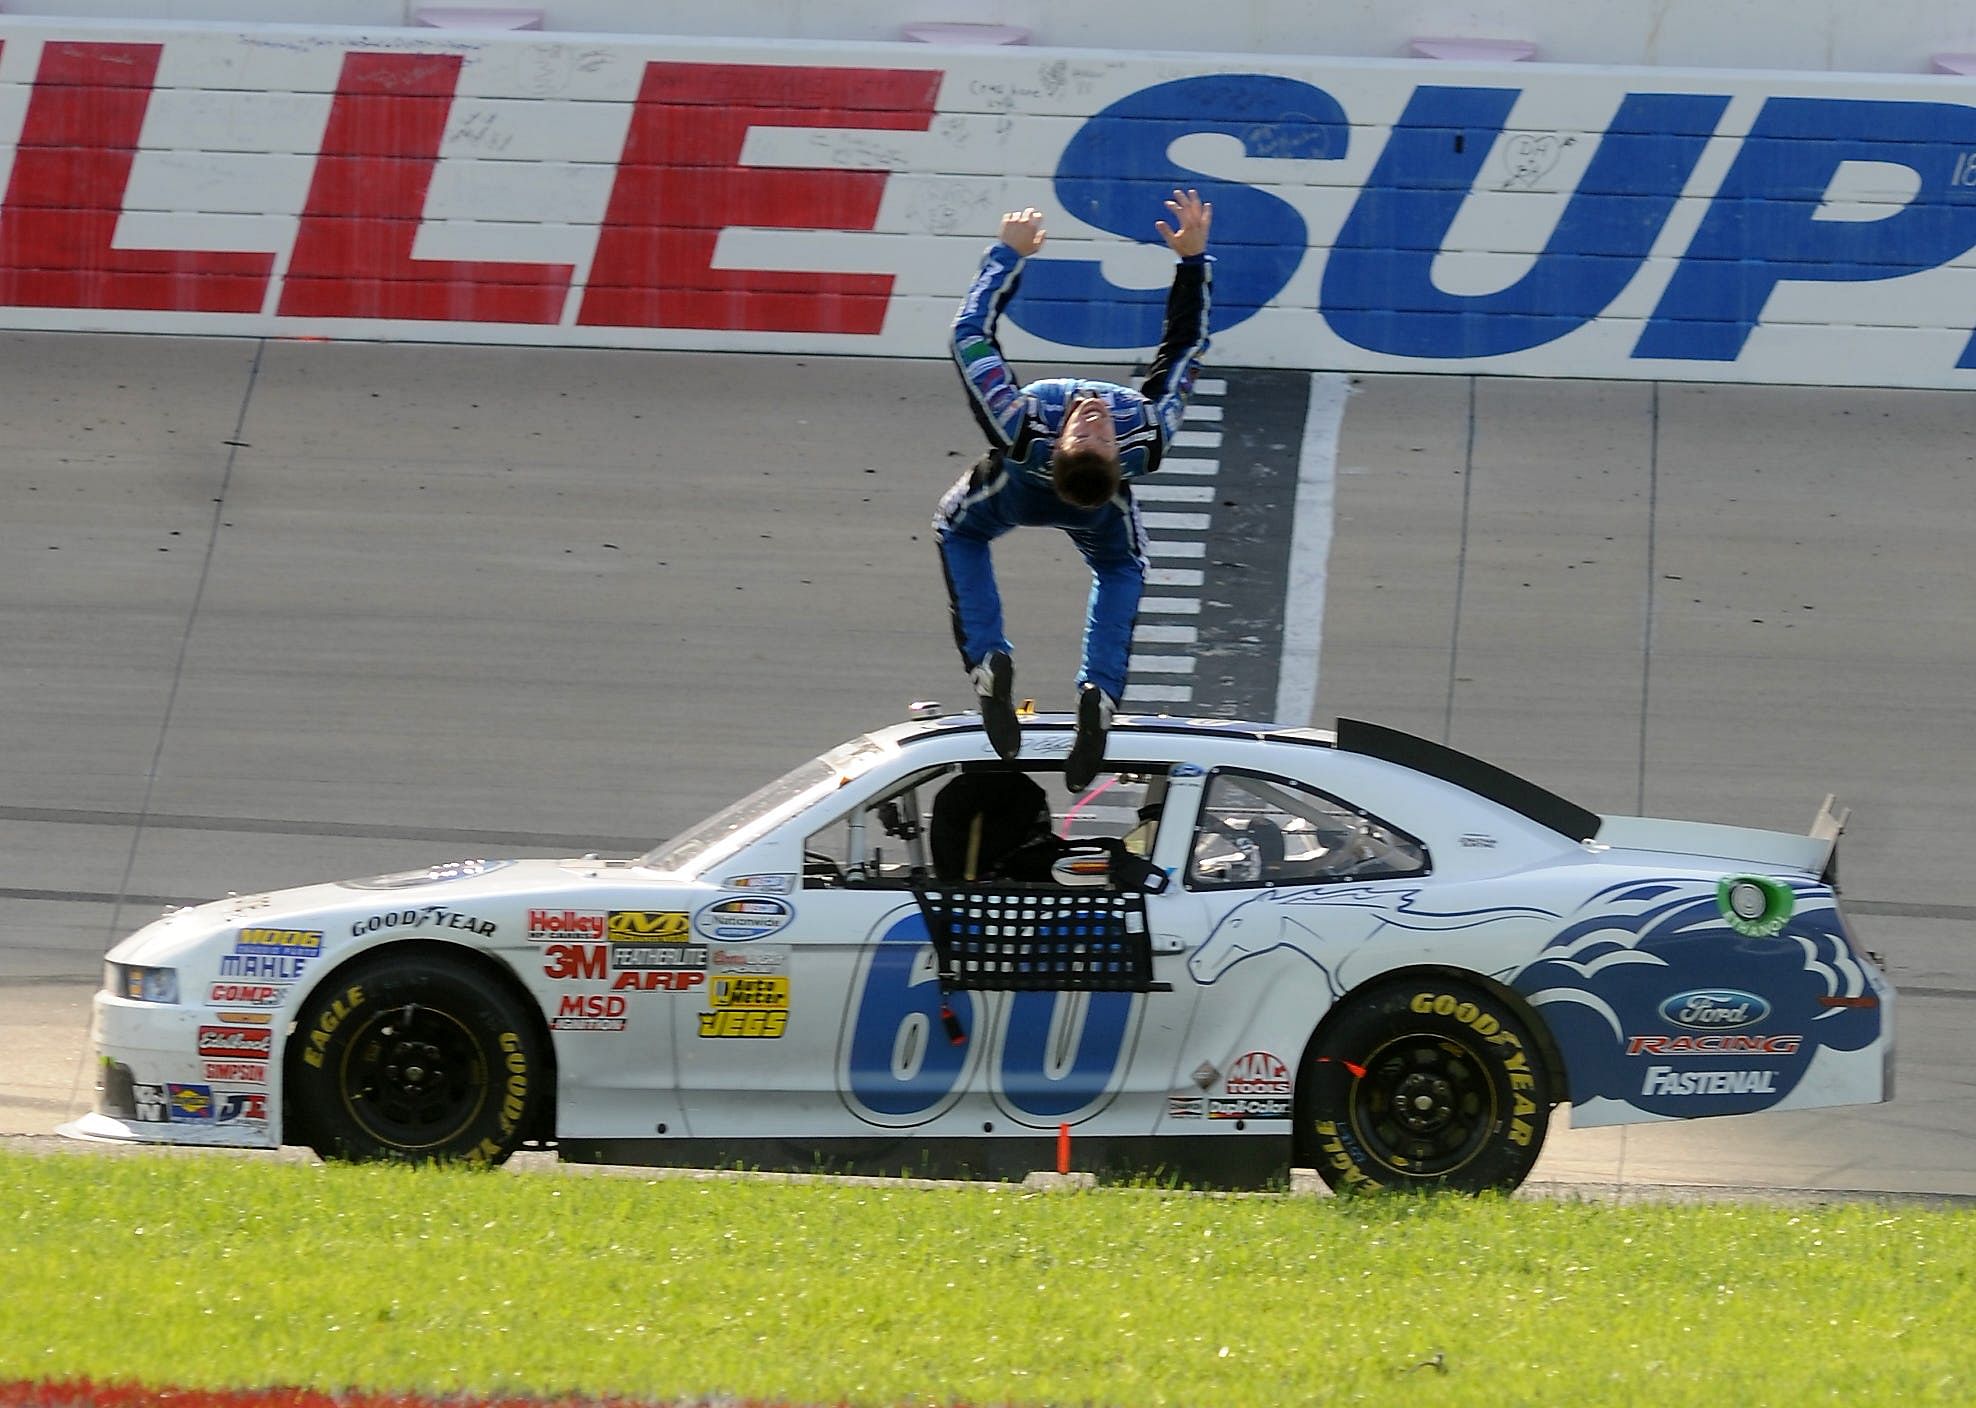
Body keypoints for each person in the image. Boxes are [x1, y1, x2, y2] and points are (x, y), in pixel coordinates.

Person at [936, 189, 1213, 792]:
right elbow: (1187, 348)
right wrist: (1193, 263)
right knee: (1124, 567)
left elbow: (968, 334)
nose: (1093, 417)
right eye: (1098, 433)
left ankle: (988, 663)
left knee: (957, 529)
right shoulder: (1148, 435)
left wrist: (1006, 258)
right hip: (1100, 513)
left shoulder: (1019, 424)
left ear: (1057, 445)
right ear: (1121, 462)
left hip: (1012, 489)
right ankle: (1102, 693)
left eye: (1087, 431)